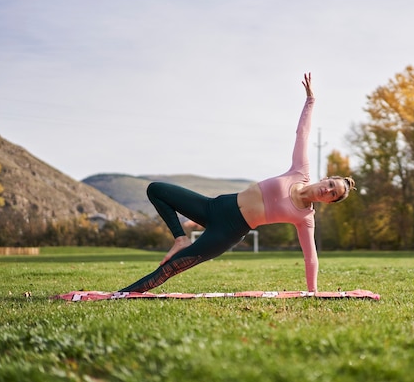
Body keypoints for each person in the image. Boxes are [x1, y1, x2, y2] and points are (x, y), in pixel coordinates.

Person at [119, 73, 356, 293]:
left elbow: (310, 256)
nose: (328, 191)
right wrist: (310, 101)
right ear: (326, 179)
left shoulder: (305, 219)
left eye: (332, 195)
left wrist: (312, 291)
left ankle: (121, 295)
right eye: (331, 185)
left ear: (329, 201)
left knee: (172, 267)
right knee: (157, 189)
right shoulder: (300, 170)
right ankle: (180, 238)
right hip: (216, 206)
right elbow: (302, 134)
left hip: (228, 231)